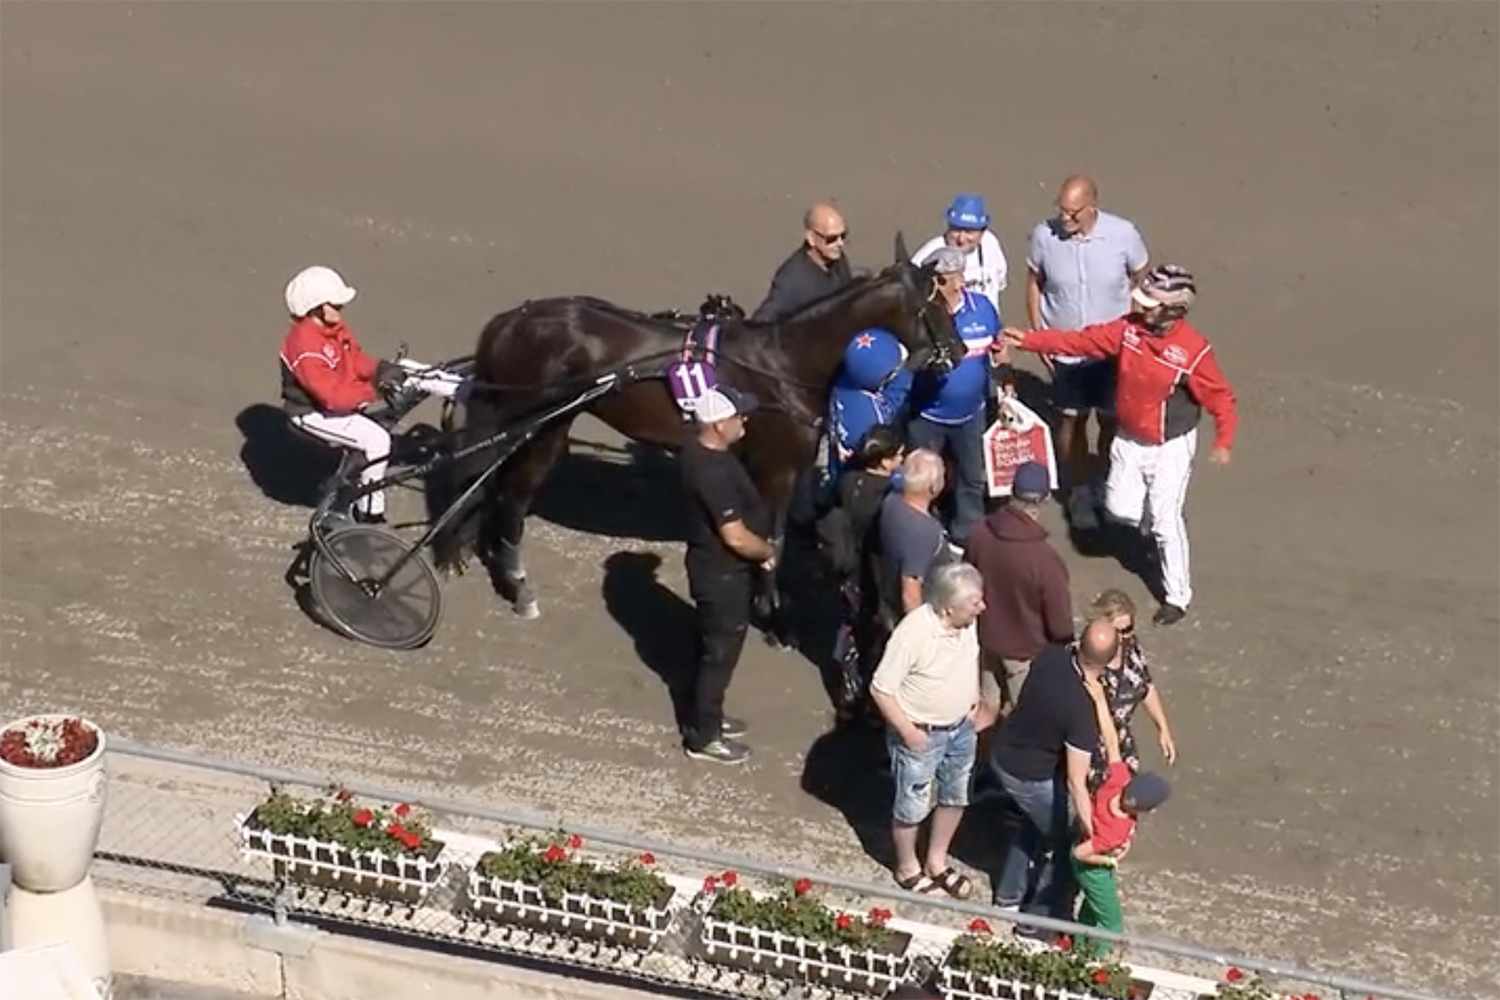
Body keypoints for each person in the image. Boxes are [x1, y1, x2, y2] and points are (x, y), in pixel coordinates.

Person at [1004, 263, 1238, 625]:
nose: (1139, 305)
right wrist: (1030, 340)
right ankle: (1157, 521)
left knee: (1164, 520)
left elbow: (1221, 398)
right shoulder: (1128, 330)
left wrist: (1224, 440)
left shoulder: (1193, 351)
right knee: (1121, 508)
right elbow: (1082, 340)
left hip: (1169, 446)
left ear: (1173, 308)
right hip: (1130, 439)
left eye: (1149, 302)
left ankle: (1177, 595)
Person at [279, 265, 462, 524]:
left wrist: (382, 369)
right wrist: (376, 389)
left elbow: (354, 359)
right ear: (316, 308)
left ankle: (465, 390)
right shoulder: (305, 346)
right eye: (336, 304)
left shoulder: (334, 328)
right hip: (314, 413)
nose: (341, 309)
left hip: (337, 398)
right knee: (377, 441)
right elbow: (331, 397)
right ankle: (370, 514)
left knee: (408, 368)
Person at [1025, 175, 1150, 531]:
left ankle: (1107, 480)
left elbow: (1140, 275)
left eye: (1073, 212)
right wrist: (1039, 333)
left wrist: (1136, 328)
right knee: (1071, 419)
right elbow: (1034, 282)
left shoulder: (1123, 234)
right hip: (1066, 349)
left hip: (1112, 351)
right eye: (1061, 210)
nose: (1065, 218)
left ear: (1092, 206)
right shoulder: (1044, 237)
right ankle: (1079, 489)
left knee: (1112, 418)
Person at [869, 561, 995, 899]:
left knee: (956, 796)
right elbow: (881, 689)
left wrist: (975, 701)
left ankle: (936, 862)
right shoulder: (913, 635)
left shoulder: (967, 622)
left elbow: (972, 658)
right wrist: (909, 733)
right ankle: (907, 866)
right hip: (921, 734)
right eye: (974, 603)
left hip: (961, 728)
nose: (982, 607)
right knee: (912, 806)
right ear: (949, 606)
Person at [988, 619, 1119, 938]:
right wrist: (1090, 832)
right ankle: (1036, 924)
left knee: (1033, 825)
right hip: (1030, 775)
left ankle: (1008, 896)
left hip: (1004, 752)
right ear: (1111, 661)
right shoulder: (1080, 711)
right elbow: (1076, 782)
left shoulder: (1052, 657)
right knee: (1065, 847)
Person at [678, 386, 778, 765]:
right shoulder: (711, 471)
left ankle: (710, 715)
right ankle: (704, 736)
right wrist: (766, 552)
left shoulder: (703, 451)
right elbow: (734, 535)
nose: (745, 421)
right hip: (723, 575)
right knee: (719, 655)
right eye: (739, 416)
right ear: (718, 425)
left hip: (717, 569)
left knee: (712, 648)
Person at [905, 246, 1004, 549]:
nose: (958, 283)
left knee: (971, 479)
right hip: (926, 416)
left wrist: (1004, 384)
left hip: (970, 415)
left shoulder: (983, 308)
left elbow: (998, 348)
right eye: (949, 278)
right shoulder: (919, 317)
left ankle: (966, 533)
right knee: (922, 481)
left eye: (958, 276)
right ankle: (924, 534)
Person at [1071, 674, 1173, 957]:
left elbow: (1111, 740)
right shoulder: (1115, 830)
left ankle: (1079, 950)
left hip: (1097, 863)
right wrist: (1111, 860)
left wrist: (1100, 699)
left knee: (1092, 911)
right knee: (1112, 922)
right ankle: (1093, 965)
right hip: (1094, 868)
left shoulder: (1117, 780)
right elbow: (1080, 853)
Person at [963, 461, 1075, 713]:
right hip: (1024, 653)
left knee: (986, 707)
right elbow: (1060, 625)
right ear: (1044, 499)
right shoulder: (1044, 559)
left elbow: (965, 579)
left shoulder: (979, 533)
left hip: (984, 639)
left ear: (1011, 491)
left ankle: (977, 751)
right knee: (1026, 718)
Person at [819, 424, 906, 723]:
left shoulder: (848, 482)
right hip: (871, 577)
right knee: (874, 639)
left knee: (848, 630)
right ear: (885, 461)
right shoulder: (888, 498)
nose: (902, 459)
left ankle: (847, 689)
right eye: (899, 455)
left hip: (845, 569)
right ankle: (868, 700)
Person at [1085, 589, 1178, 788]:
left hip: (1121, 744)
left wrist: (1163, 728)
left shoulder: (1132, 651)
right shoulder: (1088, 658)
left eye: (1127, 629)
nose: (1121, 638)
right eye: (1115, 631)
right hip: (1087, 748)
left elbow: (1145, 686)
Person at [877, 449, 953, 626]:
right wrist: (920, 635)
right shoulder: (923, 531)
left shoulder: (891, 501)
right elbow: (910, 592)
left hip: (887, 598)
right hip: (926, 610)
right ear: (933, 487)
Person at [750, 202, 855, 323]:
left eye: (843, 236)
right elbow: (762, 320)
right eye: (831, 239)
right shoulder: (791, 279)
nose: (840, 243)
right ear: (812, 238)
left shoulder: (838, 259)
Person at [911, 194, 1008, 314]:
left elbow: (1000, 282)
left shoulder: (991, 244)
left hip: (987, 327)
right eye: (956, 230)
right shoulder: (929, 254)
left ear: (983, 232)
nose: (961, 239)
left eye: (969, 231)